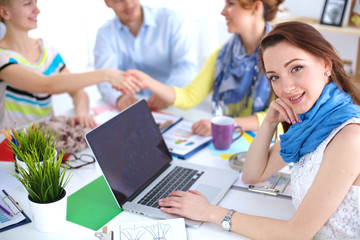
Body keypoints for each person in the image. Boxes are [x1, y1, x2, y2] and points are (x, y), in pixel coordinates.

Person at [158, 21, 360, 239]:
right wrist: (269, 122)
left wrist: (209, 212)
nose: (286, 88)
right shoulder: (310, 123)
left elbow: (296, 233)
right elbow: (252, 174)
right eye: (275, 77)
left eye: (296, 68)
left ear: (326, 64)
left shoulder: (349, 136)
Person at [127, 0, 284, 136]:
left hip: (268, 142)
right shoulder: (222, 55)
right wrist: (146, 80)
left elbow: (278, 114)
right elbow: (189, 96)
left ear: (256, 7)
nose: (223, 11)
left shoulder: (281, 54)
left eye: (230, 3)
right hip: (231, 141)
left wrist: (225, 124)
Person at [0, 0, 142, 130]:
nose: (37, 10)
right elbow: (47, 85)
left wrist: (81, 112)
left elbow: (77, 91)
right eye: (28, 4)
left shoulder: (47, 50)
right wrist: (105, 74)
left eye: (36, 3)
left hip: (46, 139)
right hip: (13, 145)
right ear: (5, 13)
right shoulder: (2, 57)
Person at [94, 0, 197, 111]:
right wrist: (120, 98)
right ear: (107, 3)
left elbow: (186, 66)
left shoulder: (171, 20)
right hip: (133, 105)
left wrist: (167, 93)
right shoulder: (105, 34)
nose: (128, 5)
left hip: (172, 103)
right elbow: (104, 77)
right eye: (119, 0)